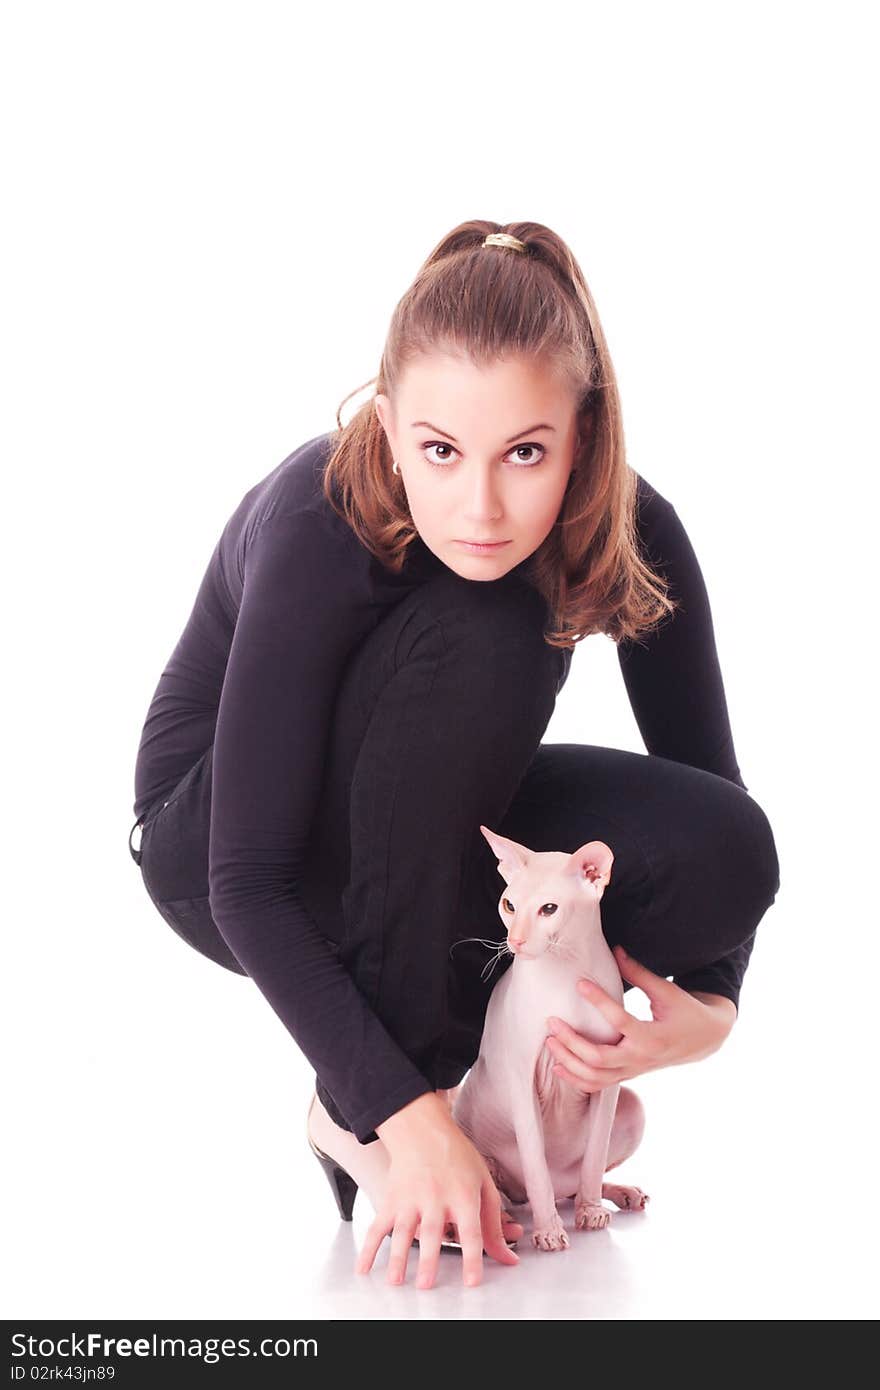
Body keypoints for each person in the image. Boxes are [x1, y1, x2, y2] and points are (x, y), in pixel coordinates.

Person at [128, 220, 780, 1293]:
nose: (478, 505)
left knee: (722, 848)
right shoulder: (315, 516)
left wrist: (710, 1003)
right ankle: (370, 1109)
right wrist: (405, 1114)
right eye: (439, 450)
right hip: (223, 841)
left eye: (525, 452)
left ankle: (429, 1094)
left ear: (583, 434)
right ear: (387, 424)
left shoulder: (628, 523)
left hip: (427, 807)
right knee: (491, 624)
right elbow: (239, 879)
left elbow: (716, 800)